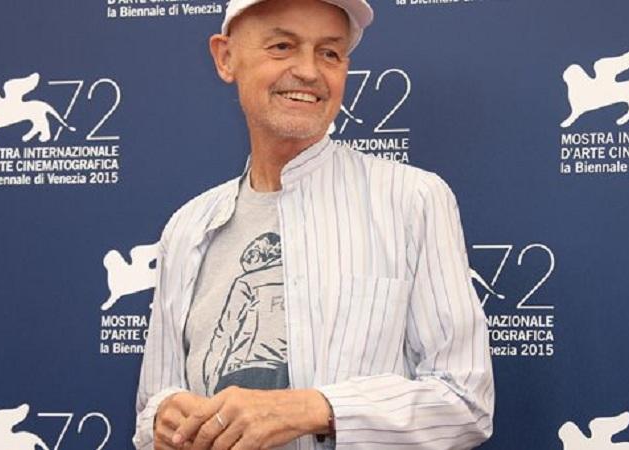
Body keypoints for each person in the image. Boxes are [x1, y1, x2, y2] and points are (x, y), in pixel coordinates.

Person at [133, 0, 494, 449]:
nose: (308, 71)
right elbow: (151, 408)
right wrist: (164, 418)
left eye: (329, 53)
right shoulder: (187, 227)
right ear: (225, 57)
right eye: (282, 46)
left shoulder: (413, 200)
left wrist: (311, 409)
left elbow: (464, 401)